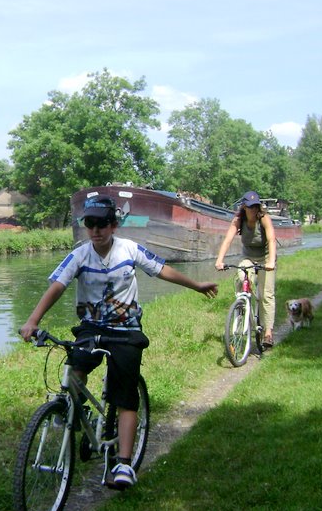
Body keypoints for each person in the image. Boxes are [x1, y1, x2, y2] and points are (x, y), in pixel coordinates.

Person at [20, 195, 218, 490]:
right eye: (90, 223)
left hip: (126, 331)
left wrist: (197, 285)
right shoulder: (79, 255)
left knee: (124, 394)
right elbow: (58, 286)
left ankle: (124, 463)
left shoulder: (129, 249)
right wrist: (33, 320)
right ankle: (75, 410)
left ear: (113, 225)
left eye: (102, 224)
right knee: (75, 368)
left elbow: (161, 269)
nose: (95, 230)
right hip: (91, 328)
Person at [214, 190, 277, 348]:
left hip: (265, 258)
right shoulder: (238, 220)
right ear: (244, 207)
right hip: (248, 257)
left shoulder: (264, 219)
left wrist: (271, 262)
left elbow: (271, 239)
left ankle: (268, 333)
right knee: (242, 278)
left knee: (266, 295)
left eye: (255, 206)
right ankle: (243, 303)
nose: (253, 209)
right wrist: (220, 260)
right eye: (250, 207)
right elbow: (227, 240)